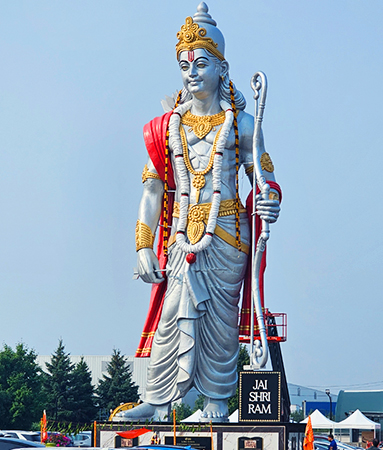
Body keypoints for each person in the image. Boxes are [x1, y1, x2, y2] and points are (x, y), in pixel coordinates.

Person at [118, 2, 281, 423]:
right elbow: (152, 190)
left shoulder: (243, 124)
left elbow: (265, 178)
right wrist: (142, 246)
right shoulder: (167, 126)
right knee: (172, 313)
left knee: (220, 325)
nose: (192, 72)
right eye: (184, 64)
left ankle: (215, 404)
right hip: (179, 236)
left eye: (201, 63)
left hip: (226, 233)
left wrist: (270, 200)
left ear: (222, 69)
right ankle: (156, 401)